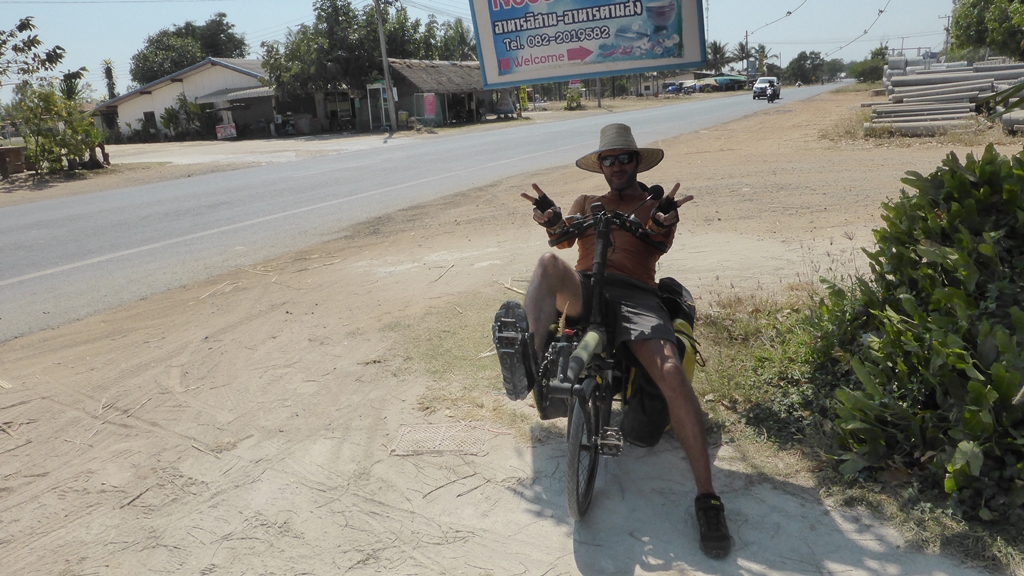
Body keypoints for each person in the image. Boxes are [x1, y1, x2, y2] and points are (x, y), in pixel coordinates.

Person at [492, 123, 732, 559]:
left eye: (624, 158)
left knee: (671, 372)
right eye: (609, 160)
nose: (617, 165)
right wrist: (551, 219)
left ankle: (707, 498)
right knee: (547, 263)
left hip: (638, 297)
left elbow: (659, 235)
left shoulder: (655, 204)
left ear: (637, 162)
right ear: (600, 166)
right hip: (587, 288)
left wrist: (662, 219)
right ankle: (528, 362)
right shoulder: (587, 202)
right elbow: (563, 237)